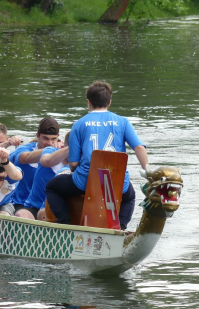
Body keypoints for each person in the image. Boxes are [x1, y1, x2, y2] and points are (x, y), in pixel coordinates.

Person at [46, 81, 149, 230]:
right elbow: (139, 147)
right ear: (110, 102)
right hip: (116, 183)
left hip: (85, 182)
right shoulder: (123, 122)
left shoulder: (79, 124)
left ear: (88, 102)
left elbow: (73, 164)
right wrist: (147, 170)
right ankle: (120, 228)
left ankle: (65, 224)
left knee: (52, 187)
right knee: (130, 197)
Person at [9, 117, 60, 220]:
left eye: (53, 139)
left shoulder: (60, 153)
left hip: (44, 206)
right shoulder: (25, 149)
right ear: (37, 136)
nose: (49, 143)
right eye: (45, 138)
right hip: (20, 203)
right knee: (22, 216)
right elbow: (25, 158)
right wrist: (51, 151)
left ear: (58, 137)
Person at [24, 132, 70, 221]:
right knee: (23, 214)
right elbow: (46, 162)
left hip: (54, 209)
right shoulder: (49, 150)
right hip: (34, 206)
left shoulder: (82, 163)